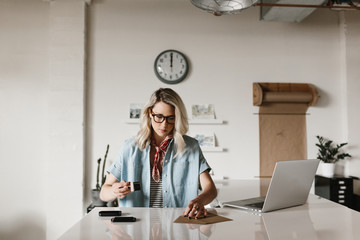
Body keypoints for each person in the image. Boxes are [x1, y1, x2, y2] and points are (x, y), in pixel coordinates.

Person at [100, 88, 217, 219]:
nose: (164, 124)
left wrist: (200, 201)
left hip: (179, 226)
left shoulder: (191, 147)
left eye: (171, 118)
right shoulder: (129, 148)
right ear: (149, 113)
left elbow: (211, 189)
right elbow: (104, 192)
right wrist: (114, 190)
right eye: (159, 117)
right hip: (137, 226)